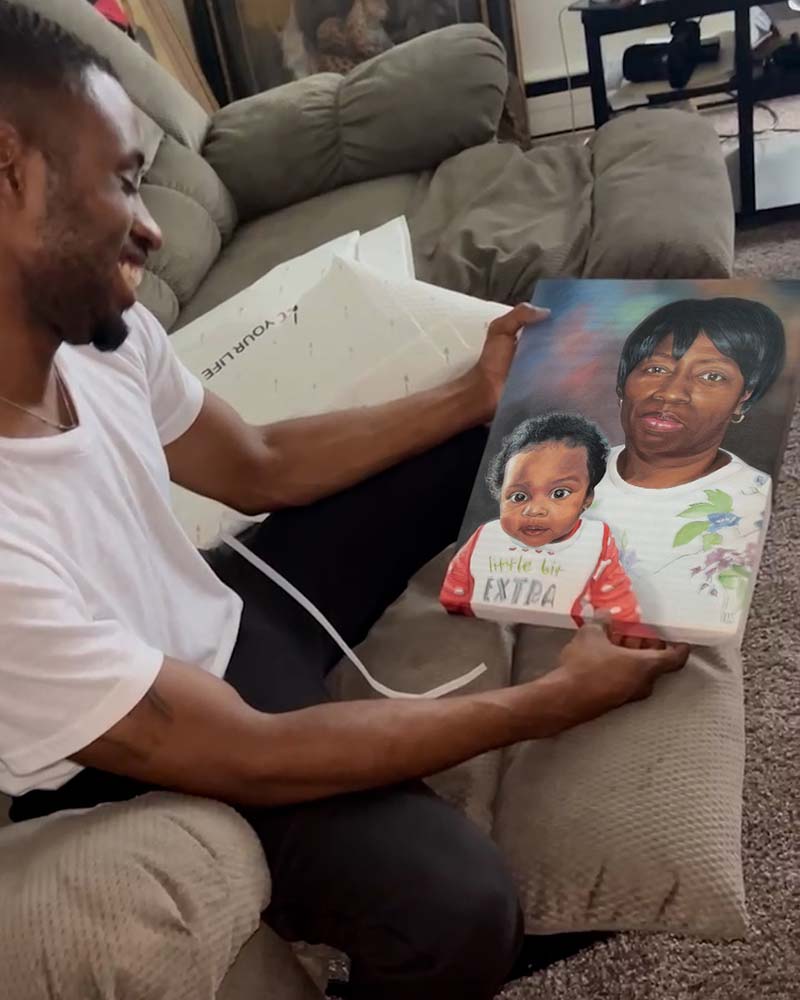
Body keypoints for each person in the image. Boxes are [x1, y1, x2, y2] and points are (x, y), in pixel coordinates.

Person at [0, 6, 689, 1000]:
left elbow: (261, 464)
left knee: (478, 435)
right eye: (120, 181)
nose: (148, 227)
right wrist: (551, 701)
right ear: (10, 170)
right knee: (463, 913)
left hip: (218, 610)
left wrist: (469, 396)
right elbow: (256, 752)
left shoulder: (98, 333)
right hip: (140, 744)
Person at [586, 297, 786, 641]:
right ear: (622, 384)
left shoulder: (751, 498)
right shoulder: (565, 472)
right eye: (656, 369)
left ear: (744, 398)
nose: (672, 392)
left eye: (712, 376)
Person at [440, 412, 641, 630]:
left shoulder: (595, 541)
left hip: (560, 641)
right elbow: (454, 591)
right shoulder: (487, 537)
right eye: (519, 497)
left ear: (587, 498)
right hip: (485, 637)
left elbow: (617, 601)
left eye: (559, 493)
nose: (534, 510)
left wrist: (626, 631)